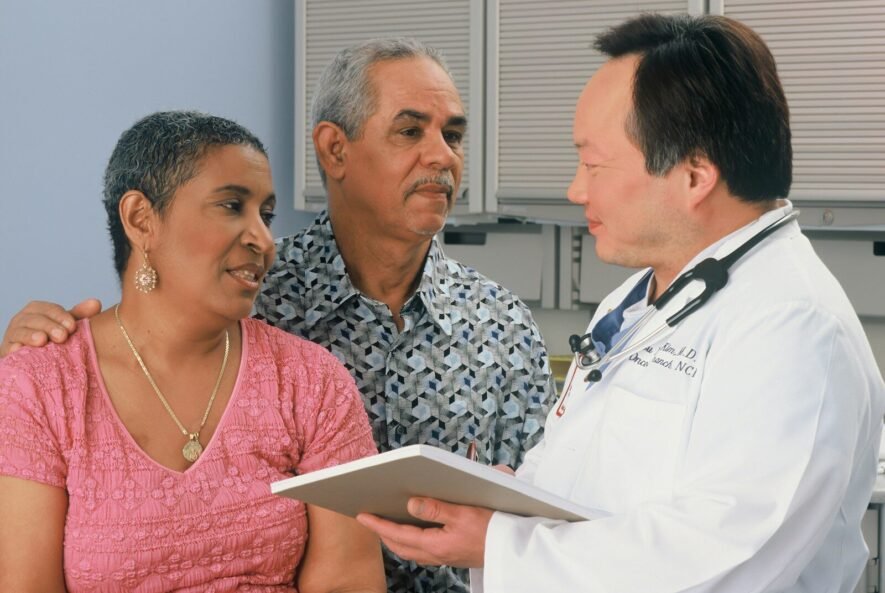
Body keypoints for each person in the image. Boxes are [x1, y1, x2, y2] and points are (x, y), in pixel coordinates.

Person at [355, 14, 885, 593]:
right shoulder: (640, 296)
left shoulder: (792, 327)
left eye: (594, 163)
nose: (576, 189)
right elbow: (594, 468)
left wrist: (500, 542)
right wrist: (512, 502)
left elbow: (725, 558)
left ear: (694, 175)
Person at [0, 38, 554, 593]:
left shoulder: (500, 326)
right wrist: (28, 362)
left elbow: (547, 520)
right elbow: (146, 326)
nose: (442, 156)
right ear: (334, 150)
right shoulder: (245, 291)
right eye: (410, 131)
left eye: (453, 136)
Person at [0, 111, 386, 593]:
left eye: (266, 216)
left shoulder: (312, 382)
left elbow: (347, 582)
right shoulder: (40, 386)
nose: (263, 240)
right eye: (231, 206)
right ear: (142, 219)